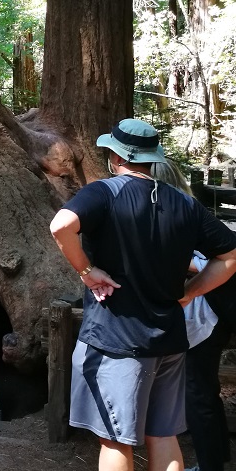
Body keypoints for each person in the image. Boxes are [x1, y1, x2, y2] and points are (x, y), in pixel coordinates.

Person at [49, 118, 236, 471]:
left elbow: (60, 225)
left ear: (114, 156)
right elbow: (229, 256)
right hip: (169, 339)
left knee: (116, 439)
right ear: (153, 158)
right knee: (162, 437)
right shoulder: (185, 204)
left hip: (114, 340)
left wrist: (87, 272)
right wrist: (191, 293)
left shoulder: (103, 192)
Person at [151, 158, 236, 471]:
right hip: (209, 316)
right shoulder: (194, 211)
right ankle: (215, 459)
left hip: (203, 319)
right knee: (203, 392)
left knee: (198, 394)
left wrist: (186, 280)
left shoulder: (177, 215)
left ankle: (210, 465)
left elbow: (209, 262)